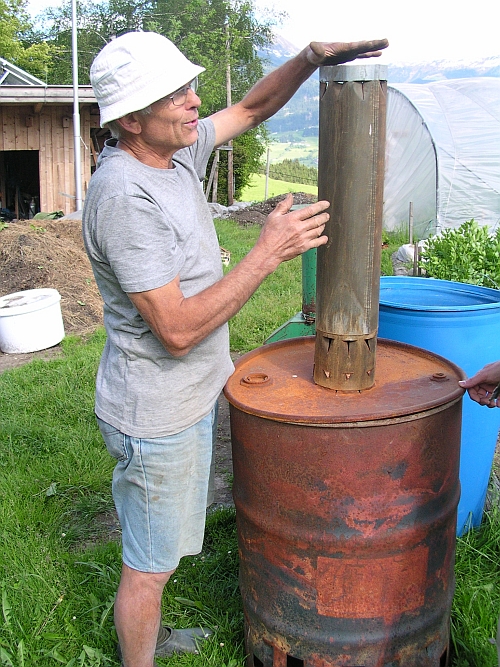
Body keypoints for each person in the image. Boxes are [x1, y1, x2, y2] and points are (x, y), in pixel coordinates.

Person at [82, 30, 389, 667]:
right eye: (177, 95)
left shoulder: (174, 156)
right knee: (149, 563)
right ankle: (139, 655)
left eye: (191, 88)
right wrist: (267, 252)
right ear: (132, 119)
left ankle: (153, 635)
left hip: (189, 396)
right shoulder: (124, 198)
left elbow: (249, 109)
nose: (195, 102)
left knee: (163, 544)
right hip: (155, 411)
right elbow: (176, 331)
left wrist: (309, 59)